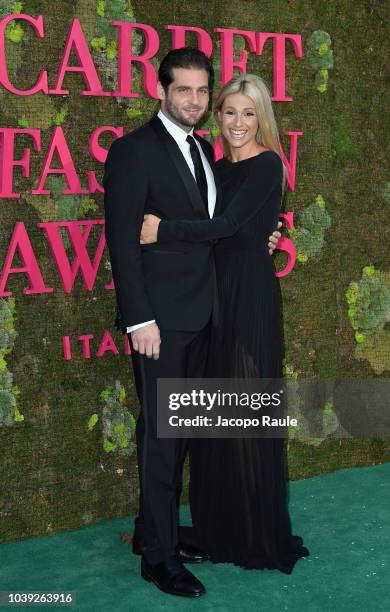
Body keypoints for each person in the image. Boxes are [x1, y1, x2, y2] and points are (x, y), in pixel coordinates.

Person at [104, 49, 281, 598]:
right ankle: (158, 558)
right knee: (162, 437)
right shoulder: (133, 151)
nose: (195, 101)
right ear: (161, 90)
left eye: (203, 92)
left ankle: (153, 532)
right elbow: (121, 243)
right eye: (184, 90)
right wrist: (140, 320)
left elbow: (226, 224)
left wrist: (265, 239)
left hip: (207, 314)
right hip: (161, 322)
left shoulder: (205, 150)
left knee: (182, 435)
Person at [140, 73, 310, 572]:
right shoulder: (212, 168)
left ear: (262, 119)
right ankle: (217, 527)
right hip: (210, 298)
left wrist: (160, 229)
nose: (238, 123)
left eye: (249, 113)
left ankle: (253, 535)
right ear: (219, 116)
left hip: (248, 299)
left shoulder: (267, 164)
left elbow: (230, 226)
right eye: (230, 112)